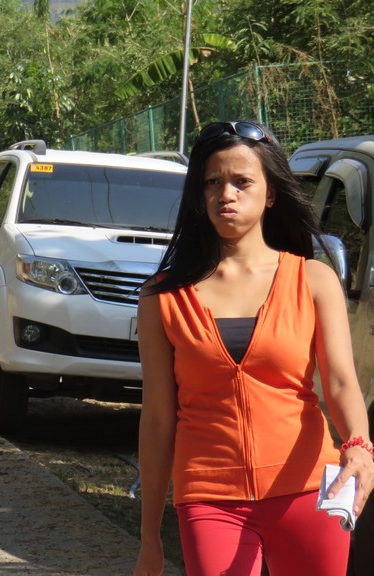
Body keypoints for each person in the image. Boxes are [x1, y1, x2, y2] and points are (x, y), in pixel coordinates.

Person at [133, 120, 374, 576]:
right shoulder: (162, 297)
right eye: (212, 182)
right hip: (208, 495)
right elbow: (159, 417)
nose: (226, 194)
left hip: (308, 490)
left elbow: (342, 383)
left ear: (271, 193)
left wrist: (360, 445)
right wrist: (149, 537)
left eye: (242, 181)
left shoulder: (313, 280)